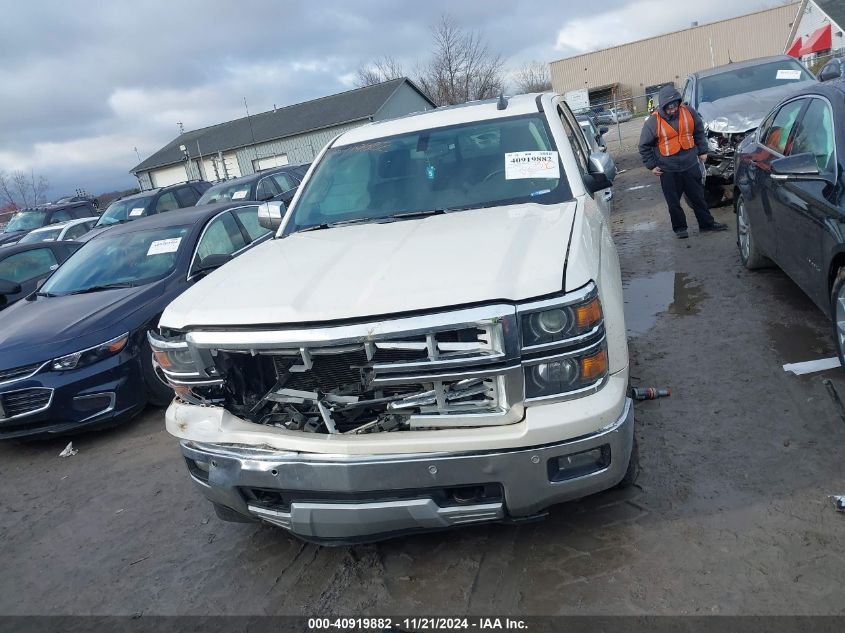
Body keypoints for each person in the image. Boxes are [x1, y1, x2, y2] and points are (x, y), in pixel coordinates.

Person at [638, 85, 727, 239]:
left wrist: (703, 151)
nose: (673, 110)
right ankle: (680, 229)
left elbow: (699, 131)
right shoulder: (653, 122)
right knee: (673, 202)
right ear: (662, 107)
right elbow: (644, 146)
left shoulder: (688, 112)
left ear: (678, 103)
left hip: (690, 163)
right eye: (669, 108)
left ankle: (706, 224)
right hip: (668, 169)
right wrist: (652, 165)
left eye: (675, 106)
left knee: (698, 197)